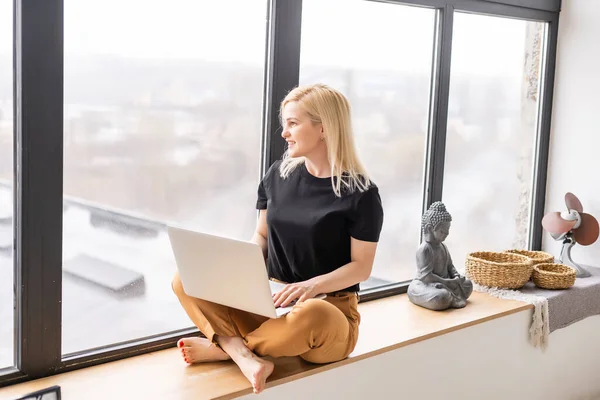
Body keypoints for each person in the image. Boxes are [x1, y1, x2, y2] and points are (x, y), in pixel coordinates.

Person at [171, 83, 384, 394]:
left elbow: (361, 268)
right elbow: (262, 235)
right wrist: (237, 268)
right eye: (285, 123)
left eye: (293, 123)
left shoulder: (362, 194)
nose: (284, 133)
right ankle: (245, 355)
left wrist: (311, 287)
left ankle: (226, 349)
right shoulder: (278, 175)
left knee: (313, 313)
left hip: (328, 315)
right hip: (269, 301)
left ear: (323, 128)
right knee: (185, 278)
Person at [407, 201, 473, 311]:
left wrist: (456, 276)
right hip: (425, 284)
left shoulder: (443, 247)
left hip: (444, 282)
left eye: (448, 230)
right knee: (440, 297)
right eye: (443, 231)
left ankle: (449, 297)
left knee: (468, 285)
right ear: (429, 229)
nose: (447, 233)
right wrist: (448, 282)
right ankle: (448, 297)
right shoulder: (424, 249)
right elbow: (426, 277)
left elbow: (450, 266)